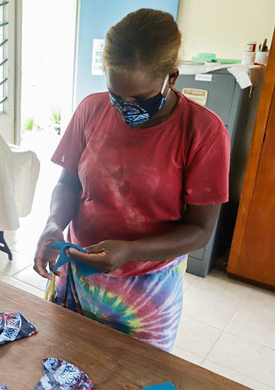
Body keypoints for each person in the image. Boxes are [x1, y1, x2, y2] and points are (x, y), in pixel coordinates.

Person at [33, 9, 230, 351]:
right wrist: (53, 224)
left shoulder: (204, 132)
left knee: (133, 380)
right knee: (61, 359)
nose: (126, 106)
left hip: (146, 290)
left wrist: (133, 251)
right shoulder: (91, 110)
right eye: (116, 93)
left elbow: (200, 230)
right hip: (79, 273)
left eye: (140, 98)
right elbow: (68, 184)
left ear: (172, 77)